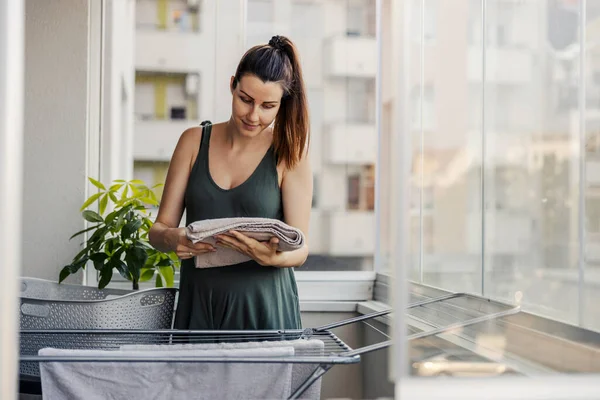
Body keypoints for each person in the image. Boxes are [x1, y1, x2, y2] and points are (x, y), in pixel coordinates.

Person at [149, 35, 312, 331]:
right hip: (199, 306)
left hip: (264, 309)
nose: (253, 115)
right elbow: (157, 231)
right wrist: (174, 239)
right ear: (232, 85)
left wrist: (271, 258)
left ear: (281, 105)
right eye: (245, 100)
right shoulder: (192, 143)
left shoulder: (290, 153)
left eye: (268, 106)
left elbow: (301, 248)